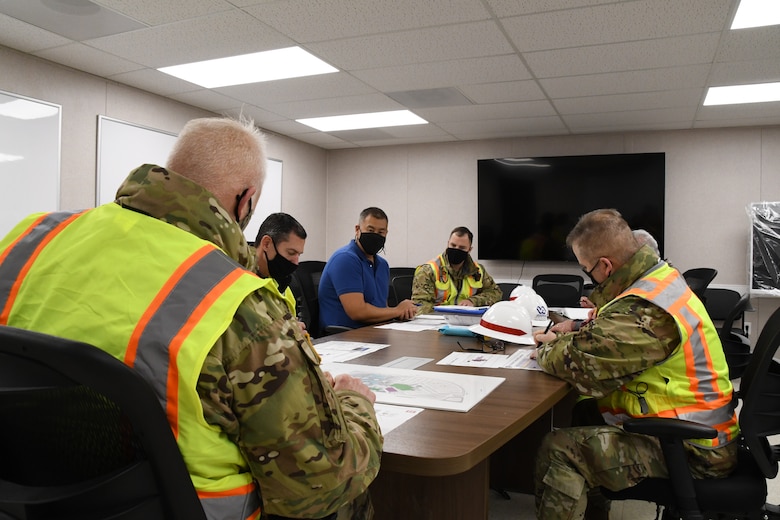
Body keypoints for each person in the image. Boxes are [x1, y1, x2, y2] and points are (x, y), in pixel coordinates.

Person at [0, 117, 382, 520]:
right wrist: (355, 401)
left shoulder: (27, 238)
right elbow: (321, 483)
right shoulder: (238, 301)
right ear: (246, 201)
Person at [531, 209, 738, 520]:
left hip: (695, 448)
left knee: (561, 449)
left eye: (587, 270)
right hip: (698, 430)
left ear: (605, 265)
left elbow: (577, 363)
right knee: (584, 411)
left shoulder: (646, 308)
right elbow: (609, 335)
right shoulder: (659, 279)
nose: (590, 277)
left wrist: (546, 347)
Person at [318, 207, 417, 331]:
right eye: (370, 230)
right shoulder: (345, 259)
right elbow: (358, 312)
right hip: (344, 336)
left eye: (381, 232)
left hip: (375, 332)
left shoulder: (382, 265)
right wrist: (397, 310)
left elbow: (382, 308)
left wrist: (403, 312)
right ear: (357, 229)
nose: (375, 236)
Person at [411, 226, 502, 314]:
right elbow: (420, 305)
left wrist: (473, 301)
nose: (456, 250)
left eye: (462, 248)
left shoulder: (477, 271)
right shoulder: (428, 270)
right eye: (453, 245)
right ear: (448, 243)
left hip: (467, 320)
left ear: (469, 249)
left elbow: (495, 293)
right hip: (437, 322)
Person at [254, 212, 306, 307]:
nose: (296, 262)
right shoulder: (238, 277)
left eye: (299, 255)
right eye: (291, 253)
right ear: (266, 244)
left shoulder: (282, 282)